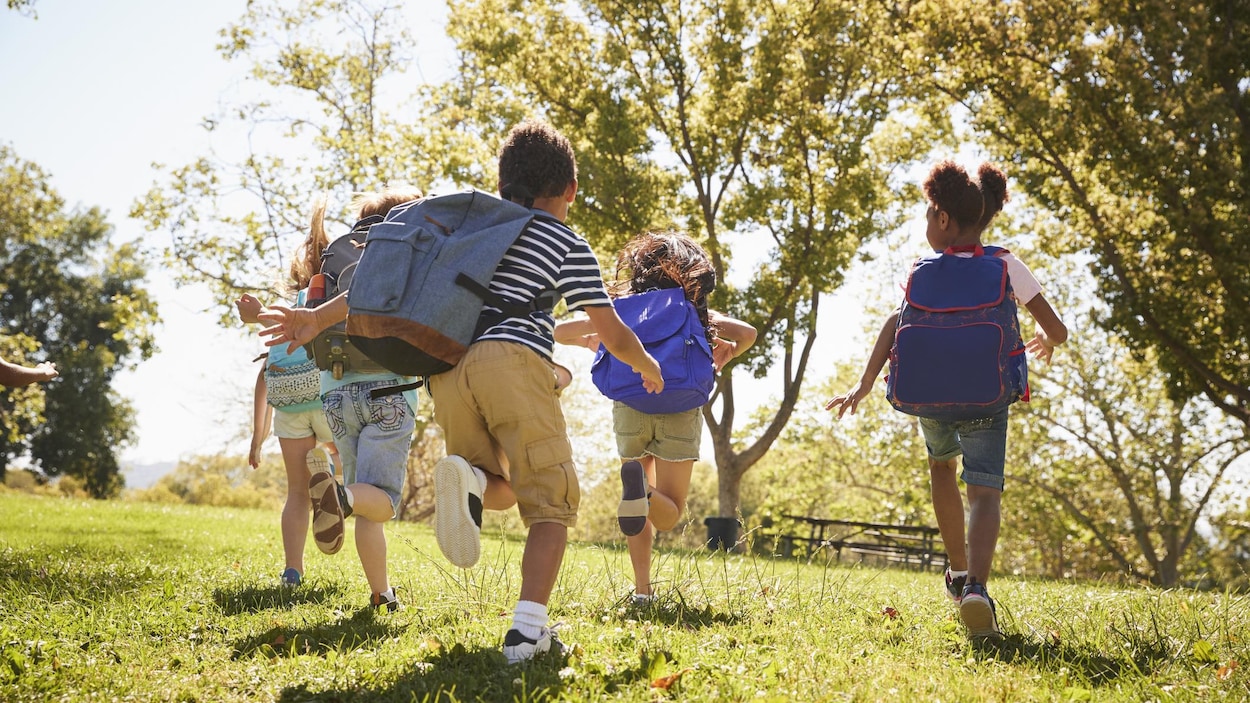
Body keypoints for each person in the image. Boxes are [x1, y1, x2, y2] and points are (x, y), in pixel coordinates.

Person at [258, 121, 663, 663]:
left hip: (448, 370)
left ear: (502, 185)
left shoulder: (476, 227)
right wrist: (645, 364)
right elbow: (609, 328)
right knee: (552, 504)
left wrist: (315, 318)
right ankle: (527, 634)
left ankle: (469, 479)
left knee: (503, 485)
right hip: (513, 363)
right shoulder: (565, 240)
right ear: (570, 189)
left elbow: (380, 286)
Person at [825, 161, 1067, 640]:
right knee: (984, 491)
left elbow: (894, 323)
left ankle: (957, 571)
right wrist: (1046, 340)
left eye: (927, 216)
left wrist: (866, 382)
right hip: (988, 398)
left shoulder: (922, 269)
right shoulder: (1006, 264)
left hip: (930, 397)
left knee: (941, 469)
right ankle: (977, 586)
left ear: (942, 218)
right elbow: (1056, 329)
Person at [553, 231, 756, 605]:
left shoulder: (620, 309)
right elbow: (748, 333)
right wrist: (726, 354)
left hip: (630, 403)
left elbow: (560, 331)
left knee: (636, 509)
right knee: (668, 513)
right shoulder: (694, 309)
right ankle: (644, 492)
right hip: (680, 405)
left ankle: (642, 590)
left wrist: (592, 339)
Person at [260, 185, 425, 612]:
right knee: (379, 501)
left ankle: (382, 594)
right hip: (390, 391)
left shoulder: (340, 254)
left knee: (366, 494)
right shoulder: (408, 251)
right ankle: (341, 496)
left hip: (335, 393)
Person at [233, 196, 338, 588]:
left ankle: (293, 571)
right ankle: (336, 481)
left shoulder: (284, 310)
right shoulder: (332, 305)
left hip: (289, 407)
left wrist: (257, 436)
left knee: (296, 493)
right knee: (346, 456)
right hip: (326, 400)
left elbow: (264, 376)